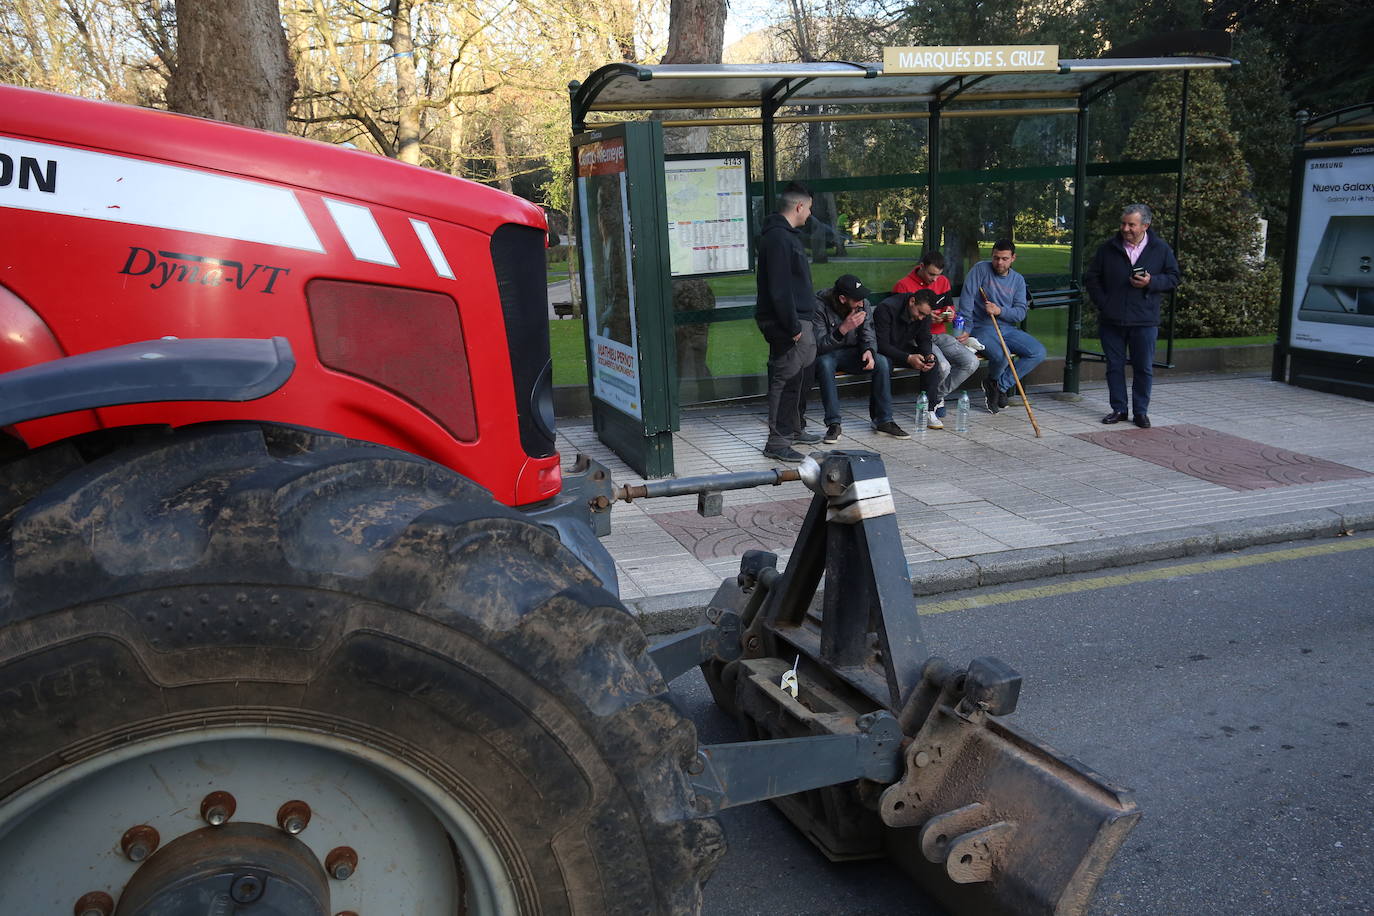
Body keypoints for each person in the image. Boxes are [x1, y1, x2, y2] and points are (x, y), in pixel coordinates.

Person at [1084, 203, 1181, 429]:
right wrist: (1104, 303)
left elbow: (1174, 277)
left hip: (1145, 320)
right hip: (1112, 319)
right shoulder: (1108, 248)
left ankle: (1140, 412)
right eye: (1123, 223)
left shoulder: (1160, 249)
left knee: (1143, 367)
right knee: (1114, 366)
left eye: (1131, 225)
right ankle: (1119, 409)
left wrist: (1151, 282)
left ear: (1145, 225)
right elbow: (1092, 278)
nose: (1125, 228)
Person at [755, 182, 819, 462]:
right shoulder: (779, 238)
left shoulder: (784, 236)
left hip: (798, 321)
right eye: (809, 210)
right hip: (789, 325)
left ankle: (793, 429)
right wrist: (792, 327)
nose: (809, 216)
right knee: (786, 380)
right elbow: (779, 288)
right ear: (799, 206)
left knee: (798, 379)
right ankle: (777, 442)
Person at [813, 275, 910, 442]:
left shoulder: (862, 303)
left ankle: (883, 420)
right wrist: (842, 330)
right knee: (825, 363)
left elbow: (868, 332)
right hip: (828, 353)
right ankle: (833, 423)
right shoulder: (819, 306)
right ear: (842, 298)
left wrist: (868, 350)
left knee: (882, 361)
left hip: (853, 353)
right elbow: (819, 346)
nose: (861, 302)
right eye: (857, 299)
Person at [958, 239, 1046, 413]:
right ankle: (997, 386)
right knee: (1002, 356)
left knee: (1038, 352)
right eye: (996, 258)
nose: (999, 262)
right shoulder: (981, 270)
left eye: (1004, 259)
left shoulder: (1018, 280)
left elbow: (1021, 312)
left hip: (1007, 328)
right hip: (981, 327)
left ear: (1013, 258)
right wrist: (966, 329)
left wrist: (1000, 311)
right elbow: (966, 300)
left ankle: (998, 386)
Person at [894, 250, 978, 418]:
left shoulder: (943, 282)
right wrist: (925, 319)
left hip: (940, 334)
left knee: (971, 362)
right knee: (943, 366)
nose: (934, 279)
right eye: (931, 274)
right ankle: (931, 400)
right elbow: (900, 322)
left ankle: (935, 397)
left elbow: (950, 307)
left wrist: (949, 313)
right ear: (921, 267)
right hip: (918, 337)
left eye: (938, 275)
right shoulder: (903, 285)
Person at [875, 288, 945, 429]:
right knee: (884, 364)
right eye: (920, 313)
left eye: (924, 315)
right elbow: (881, 344)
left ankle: (929, 410)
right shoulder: (886, 308)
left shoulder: (923, 314)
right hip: (881, 349)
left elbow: (924, 338)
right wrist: (908, 358)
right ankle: (882, 416)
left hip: (901, 347)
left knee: (931, 362)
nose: (920, 317)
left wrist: (928, 354)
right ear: (912, 301)